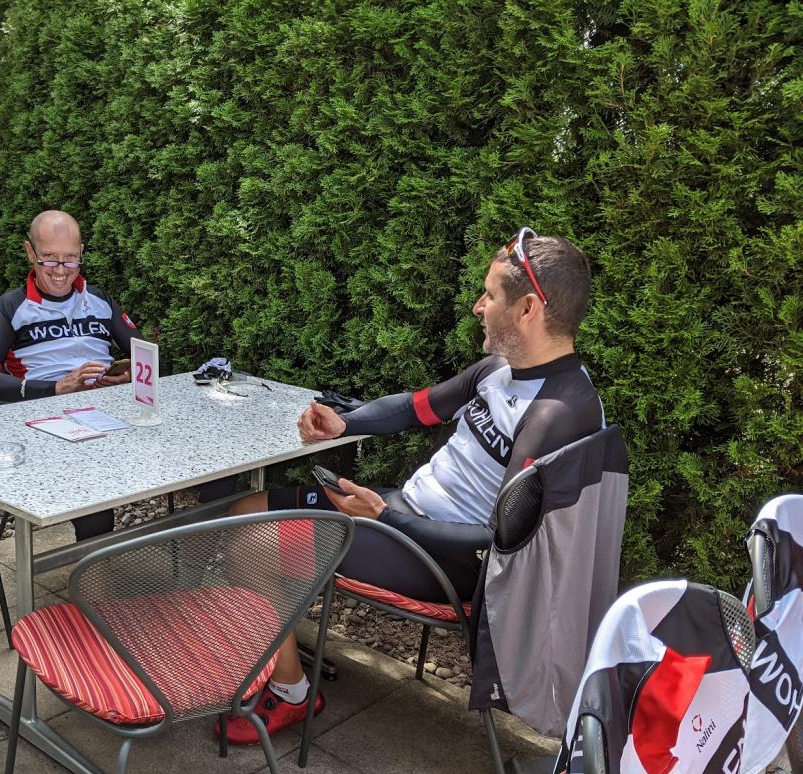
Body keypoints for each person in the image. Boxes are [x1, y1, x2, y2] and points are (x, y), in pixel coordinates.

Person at [220, 229, 604, 743]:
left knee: (253, 543)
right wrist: (345, 423)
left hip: (447, 561)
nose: (478, 307)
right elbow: (415, 407)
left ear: (528, 309)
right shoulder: (501, 369)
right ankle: (271, 650)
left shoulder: (561, 413)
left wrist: (385, 518)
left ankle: (290, 692)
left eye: (490, 295)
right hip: (401, 518)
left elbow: (502, 544)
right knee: (246, 509)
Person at [0, 210, 141, 539]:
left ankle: (198, 556)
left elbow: (146, 357)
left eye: (70, 259)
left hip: (111, 413)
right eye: (49, 259)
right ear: (29, 252)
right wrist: (57, 387)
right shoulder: (10, 308)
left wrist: (129, 374)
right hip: (50, 421)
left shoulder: (100, 300)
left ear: (81, 253)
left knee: (201, 465)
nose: (61, 271)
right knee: (94, 501)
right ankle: (94, 567)